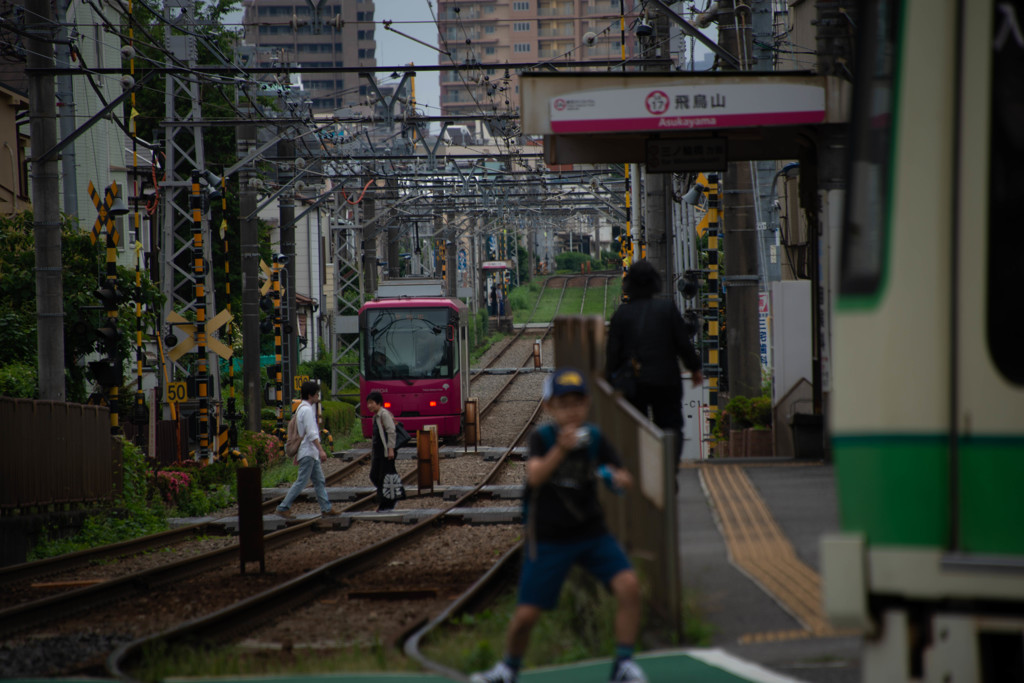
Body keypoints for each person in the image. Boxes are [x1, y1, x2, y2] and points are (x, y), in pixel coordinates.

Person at [470, 367, 647, 683]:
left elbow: (622, 476)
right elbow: (535, 475)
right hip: (549, 537)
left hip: (591, 532)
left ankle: (623, 664)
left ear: (587, 404)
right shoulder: (543, 438)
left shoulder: (594, 437)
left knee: (629, 585)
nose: (572, 410)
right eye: (563, 404)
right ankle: (507, 668)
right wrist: (562, 449)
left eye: (577, 403)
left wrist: (618, 478)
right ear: (549, 407)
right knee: (527, 616)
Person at [605, 259, 703, 458]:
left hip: (633, 383)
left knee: (635, 429)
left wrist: (609, 383)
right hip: (666, 380)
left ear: (628, 284)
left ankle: (641, 472)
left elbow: (612, 354)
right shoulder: (667, 309)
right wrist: (695, 369)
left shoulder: (621, 315)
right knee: (670, 426)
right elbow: (683, 344)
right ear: (655, 283)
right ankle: (668, 470)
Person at [276, 381, 340, 519]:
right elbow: (311, 434)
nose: (318, 396)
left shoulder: (301, 408)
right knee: (301, 482)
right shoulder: (307, 410)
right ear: (311, 395)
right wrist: (321, 450)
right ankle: (283, 507)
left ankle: (326, 508)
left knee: (319, 481)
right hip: (309, 451)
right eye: (317, 393)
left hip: (308, 452)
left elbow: (302, 433)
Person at [365, 390, 399, 511]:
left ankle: (385, 503)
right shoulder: (376, 416)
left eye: (371, 403)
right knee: (376, 476)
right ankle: (389, 499)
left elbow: (391, 432)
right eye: (368, 403)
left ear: (379, 403)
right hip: (378, 453)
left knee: (383, 477)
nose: (369, 406)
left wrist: (390, 450)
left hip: (385, 452)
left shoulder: (384, 414)